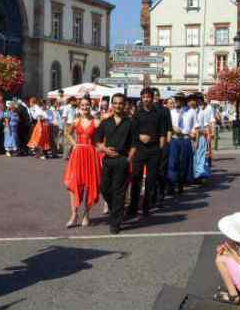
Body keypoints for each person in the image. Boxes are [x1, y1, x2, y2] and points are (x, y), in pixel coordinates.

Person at [94, 93, 133, 233]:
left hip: (122, 160)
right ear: (112, 105)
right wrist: (104, 149)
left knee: (119, 192)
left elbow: (134, 144)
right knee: (104, 188)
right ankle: (117, 208)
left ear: (124, 105)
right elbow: (97, 139)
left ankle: (115, 222)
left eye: (120, 103)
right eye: (115, 103)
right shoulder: (106, 122)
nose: (118, 105)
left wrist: (128, 159)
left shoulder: (130, 122)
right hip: (108, 160)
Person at [63, 96, 102, 228]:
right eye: (83, 105)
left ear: (90, 106)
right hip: (78, 154)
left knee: (89, 185)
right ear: (79, 107)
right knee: (73, 184)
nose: (85, 107)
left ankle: (86, 214)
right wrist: (74, 144)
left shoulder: (96, 122)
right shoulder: (76, 120)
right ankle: (74, 214)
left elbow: (102, 137)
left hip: (91, 154)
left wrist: (99, 148)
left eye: (87, 105)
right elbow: (67, 133)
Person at [128, 88, 166, 217]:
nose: (146, 99)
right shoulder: (137, 114)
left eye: (148, 97)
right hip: (140, 149)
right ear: (141, 98)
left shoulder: (158, 113)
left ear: (152, 97)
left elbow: (162, 133)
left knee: (151, 179)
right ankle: (133, 206)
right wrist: (140, 136)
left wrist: (161, 149)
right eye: (144, 97)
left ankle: (146, 206)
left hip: (154, 149)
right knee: (136, 177)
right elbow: (132, 131)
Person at [152, 88, 172, 205]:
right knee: (152, 171)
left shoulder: (165, 110)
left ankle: (160, 195)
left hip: (163, 143)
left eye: (157, 95)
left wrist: (168, 143)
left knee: (161, 170)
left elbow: (169, 127)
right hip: (151, 144)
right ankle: (152, 195)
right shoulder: (147, 110)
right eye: (153, 95)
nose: (155, 97)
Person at [193, 93, 211, 183]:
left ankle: (200, 175)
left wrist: (208, 138)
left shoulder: (202, 112)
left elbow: (206, 125)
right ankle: (194, 175)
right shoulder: (191, 111)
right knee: (194, 157)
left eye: (199, 100)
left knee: (201, 156)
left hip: (200, 137)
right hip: (191, 137)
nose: (197, 102)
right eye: (196, 100)